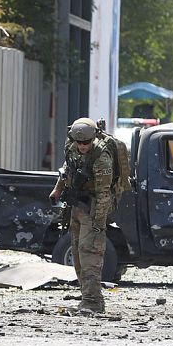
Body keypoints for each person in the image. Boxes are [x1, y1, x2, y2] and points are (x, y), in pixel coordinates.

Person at [49, 118, 113, 314]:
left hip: (92, 210)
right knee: (77, 254)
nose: (82, 146)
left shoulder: (101, 157)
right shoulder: (72, 148)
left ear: (93, 138)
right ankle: (87, 297)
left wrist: (98, 222)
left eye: (86, 142)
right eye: (79, 142)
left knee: (90, 255)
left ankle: (93, 301)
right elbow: (66, 171)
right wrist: (57, 190)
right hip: (76, 207)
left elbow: (104, 194)